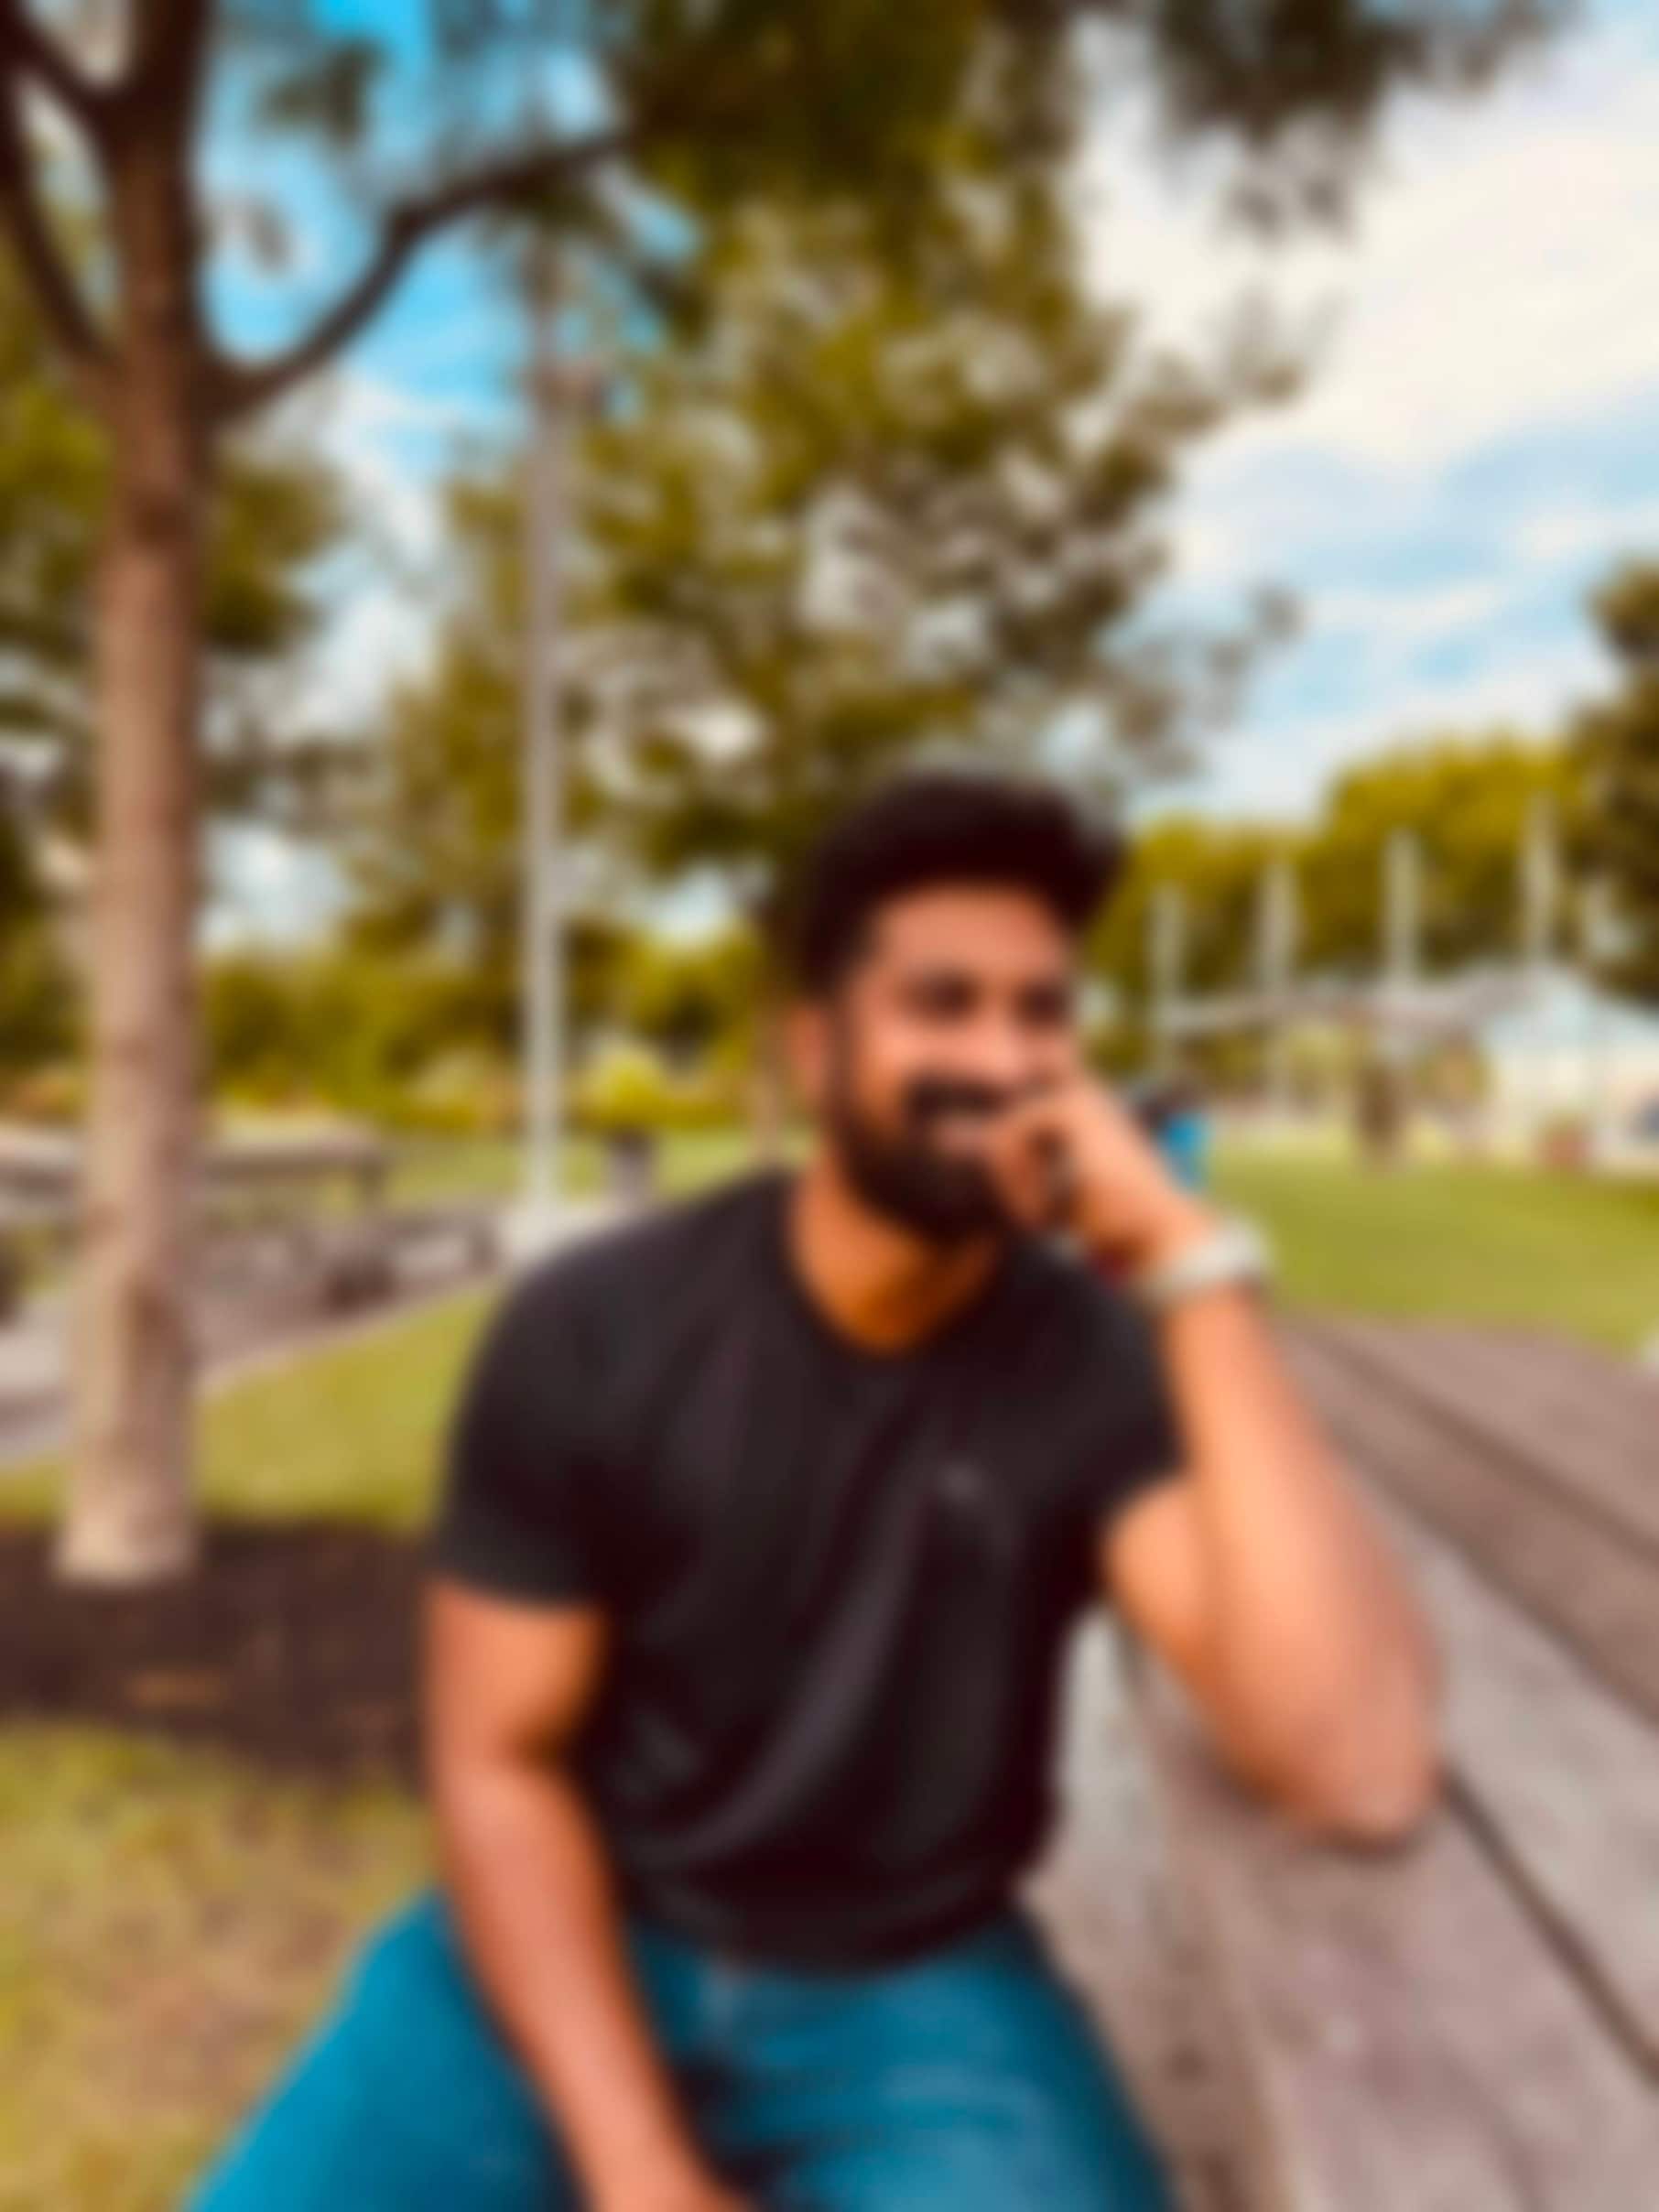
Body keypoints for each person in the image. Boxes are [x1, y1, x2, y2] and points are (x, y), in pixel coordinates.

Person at [190, 771, 1442, 2212]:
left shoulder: (1091, 1362)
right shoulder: (595, 1331)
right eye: (943, 1004)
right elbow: (496, 1766)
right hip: (589, 1927)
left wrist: (1188, 1263)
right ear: (811, 1046)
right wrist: (642, 2171)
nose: (1005, 1059)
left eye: (1042, 1013)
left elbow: (1354, 1768)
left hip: (917, 1985)